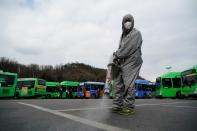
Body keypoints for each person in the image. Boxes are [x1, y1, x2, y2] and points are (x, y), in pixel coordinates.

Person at [112, 14, 143, 115]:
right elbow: (121, 48)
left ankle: (129, 106)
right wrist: (117, 58)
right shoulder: (123, 35)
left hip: (132, 61)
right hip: (123, 62)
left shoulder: (136, 33)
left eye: (129, 21)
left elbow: (127, 48)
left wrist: (117, 54)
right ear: (122, 23)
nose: (128, 23)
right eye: (126, 21)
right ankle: (117, 104)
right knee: (117, 83)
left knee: (129, 84)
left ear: (133, 22)